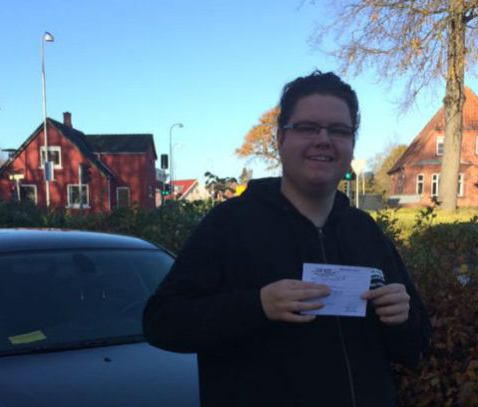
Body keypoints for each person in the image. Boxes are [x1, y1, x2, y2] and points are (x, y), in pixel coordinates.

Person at [143, 71, 430, 406]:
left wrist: (402, 319)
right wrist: (257, 306)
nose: (324, 139)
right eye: (307, 127)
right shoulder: (230, 224)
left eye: (339, 130)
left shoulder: (365, 231)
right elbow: (161, 322)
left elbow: (415, 345)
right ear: (280, 138)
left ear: (351, 144)